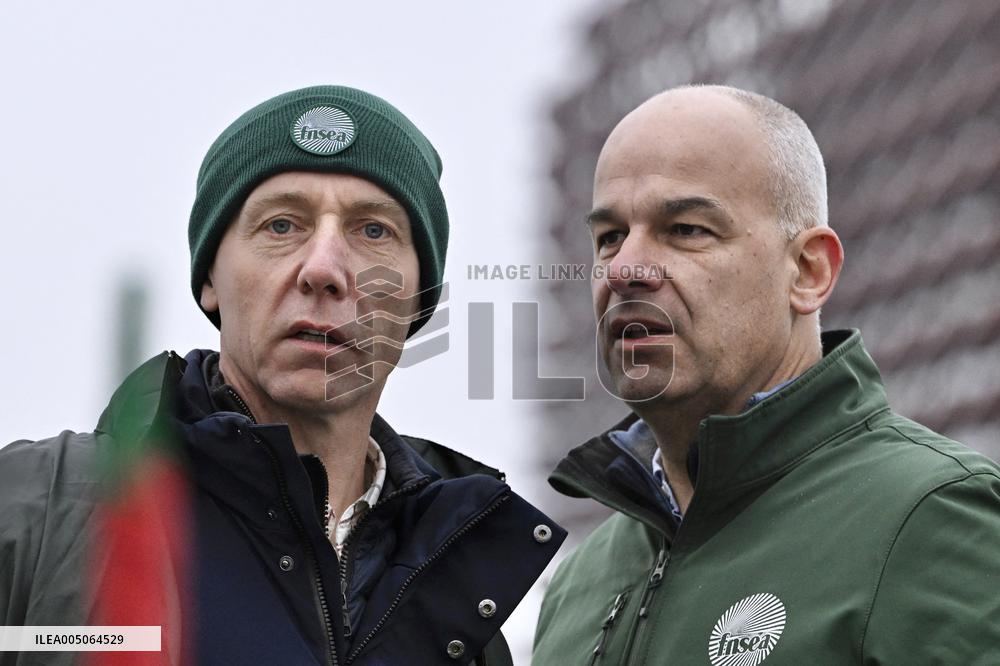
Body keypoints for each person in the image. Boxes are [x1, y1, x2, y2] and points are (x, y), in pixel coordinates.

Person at [0, 85, 566, 666]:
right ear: (209, 280)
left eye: (373, 231)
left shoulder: (466, 619)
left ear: (418, 301)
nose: (323, 268)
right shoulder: (34, 516)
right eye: (280, 225)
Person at [532, 84, 1000, 664]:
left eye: (686, 230)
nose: (626, 268)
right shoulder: (579, 582)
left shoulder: (934, 518)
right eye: (609, 237)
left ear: (808, 271)